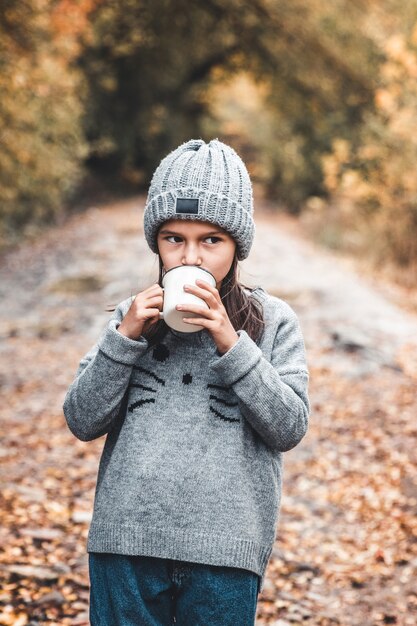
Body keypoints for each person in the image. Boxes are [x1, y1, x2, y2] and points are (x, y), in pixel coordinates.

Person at [63, 138, 310, 626]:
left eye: (210, 240)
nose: (190, 258)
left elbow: (289, 427)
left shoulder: (273, 321)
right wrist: (124, 337)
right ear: (156, 242)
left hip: (226, 554)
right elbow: (82, 419)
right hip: (125, 544)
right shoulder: (128, 318)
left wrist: (230, 341)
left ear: (238, 245)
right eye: (174, 238)